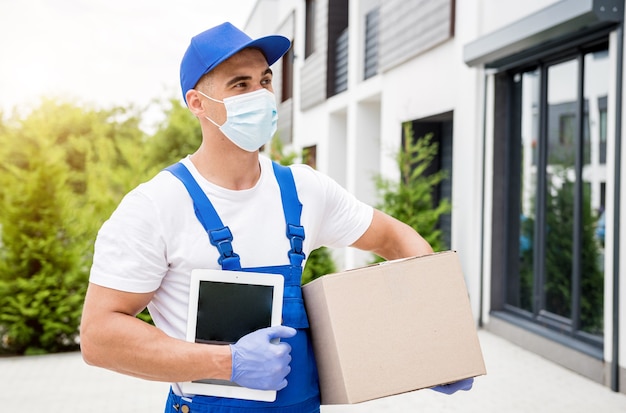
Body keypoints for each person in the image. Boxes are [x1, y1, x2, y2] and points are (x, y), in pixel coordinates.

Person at [80, 22, 473, 413]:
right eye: (240, 85)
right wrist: (227, 362)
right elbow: (99, 337)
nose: (261, 96)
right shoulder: (157, 205)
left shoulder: (303, 189)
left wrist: (434, 340)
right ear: (197, 103)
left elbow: (396, 239)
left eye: (264, 81)